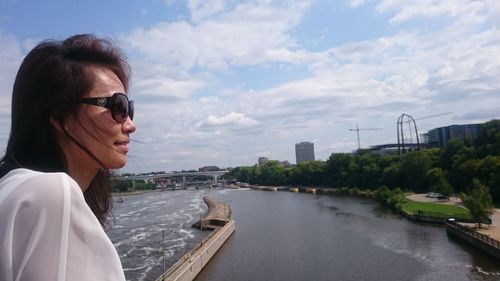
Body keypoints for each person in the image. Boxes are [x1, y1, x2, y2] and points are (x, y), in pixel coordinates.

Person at [0, 34, 136, 281]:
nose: (130, 124)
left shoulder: (12, 187)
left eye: (129, 108)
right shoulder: (50, 192)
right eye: (118, 106)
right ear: (61, 115)